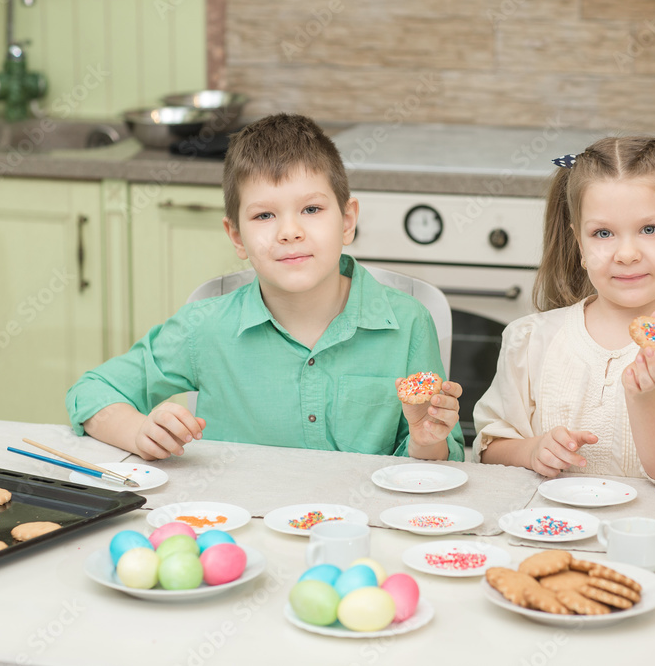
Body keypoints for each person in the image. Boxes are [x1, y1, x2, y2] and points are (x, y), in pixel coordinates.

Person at [67, 114, 464, 462]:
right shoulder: (204, 329)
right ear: (236, 235)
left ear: (346, 221)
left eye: (311, 209)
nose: (289, 232)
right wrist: (138, 432)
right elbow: (92, 392)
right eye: (264, 215)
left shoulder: (409, 323)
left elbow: (438, 460)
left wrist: (426, 440)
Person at [473, 131, 655, 489]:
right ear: (579, 244)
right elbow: (490, 450)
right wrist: (533, 451)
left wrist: (650, 397)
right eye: (603, 234)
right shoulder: (530, 338)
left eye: (649, 229)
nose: (626, 253)